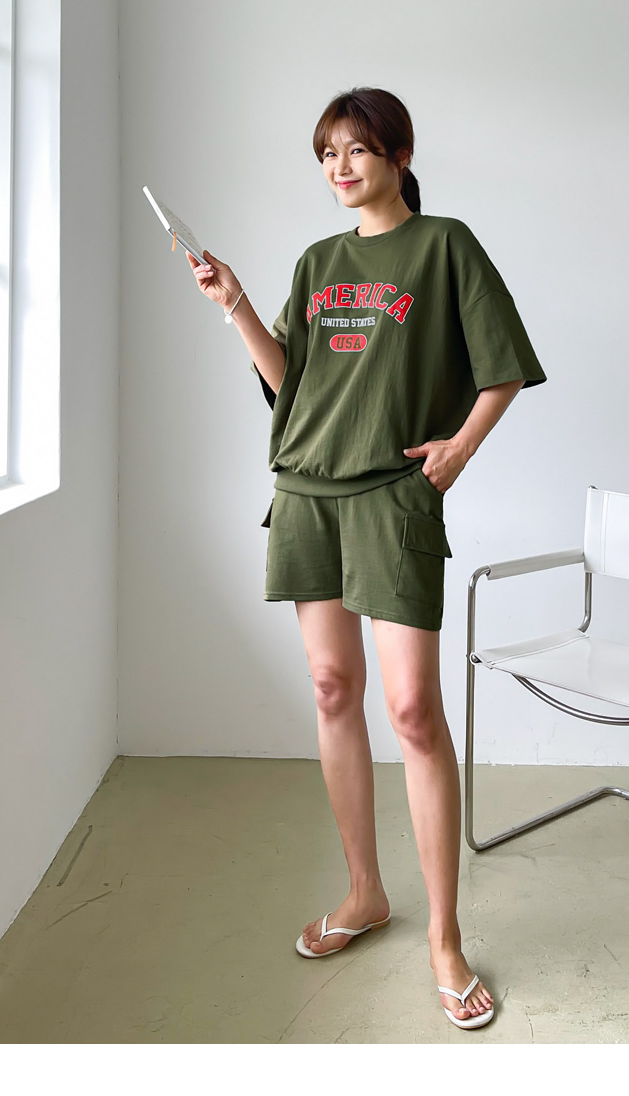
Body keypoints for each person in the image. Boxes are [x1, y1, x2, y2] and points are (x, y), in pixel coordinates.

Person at [187, 86, 547, 1030]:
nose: (339, 167)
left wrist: (458, 450)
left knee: (413, 710)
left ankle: (445, 940)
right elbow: (290, 385)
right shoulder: (318, 261)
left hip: (392, 496)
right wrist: (235, 305)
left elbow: (504, 367)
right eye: (326, 154)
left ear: (398, 155)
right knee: (332, 690)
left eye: (355, 149)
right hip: (307, 490)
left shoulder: (445, 246)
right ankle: (364, 893)